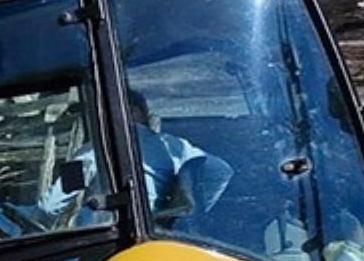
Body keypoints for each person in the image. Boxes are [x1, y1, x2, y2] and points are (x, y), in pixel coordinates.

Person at [38, 91, 233, 227]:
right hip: (164, 233)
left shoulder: (90, 152)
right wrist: (190, 210)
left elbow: (51, 205)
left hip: (114, 239)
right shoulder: (173, 145)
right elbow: (222, 171)